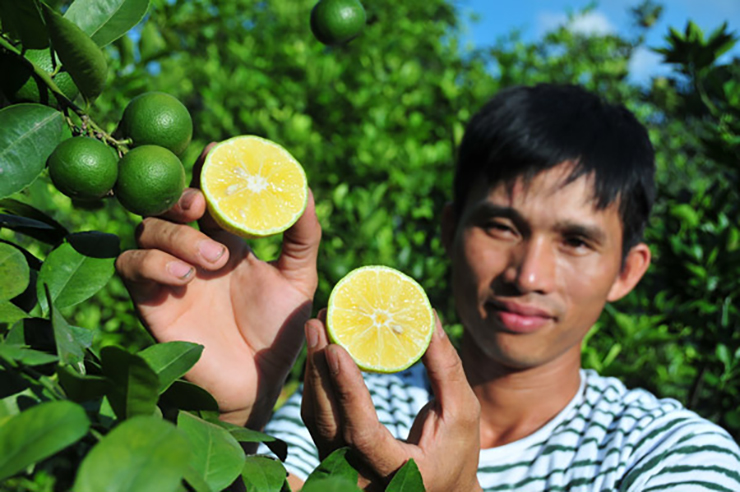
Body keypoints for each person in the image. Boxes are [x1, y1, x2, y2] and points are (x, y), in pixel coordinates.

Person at [116, 83, 740, 491]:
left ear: (628, 270)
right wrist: (232, 417)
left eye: (575, 241)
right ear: (449, 229)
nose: (527, 274)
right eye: (501, 226)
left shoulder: (670, 453)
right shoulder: (349, 412)